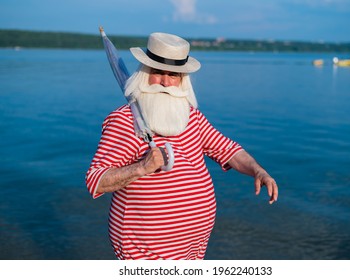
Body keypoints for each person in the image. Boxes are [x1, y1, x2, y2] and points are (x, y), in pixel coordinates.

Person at [86, 32, 278, 260]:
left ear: (182, 79)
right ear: (144, 73)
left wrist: (258, 170)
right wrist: (141, 168)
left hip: (193, 250)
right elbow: (96, 181)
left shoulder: (192, 117)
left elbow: (229, 150)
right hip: (144, 251)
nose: (166, 82)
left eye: (173, 74)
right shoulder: (125, 120)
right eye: (158, 72)